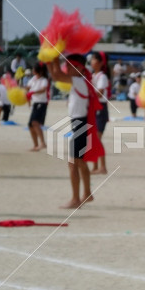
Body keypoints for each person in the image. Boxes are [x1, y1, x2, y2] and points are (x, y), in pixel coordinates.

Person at [46, 54, 103, 209]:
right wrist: (49, 60)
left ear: (78, 68)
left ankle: (75, 199)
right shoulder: (81, 81)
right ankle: (87, 193)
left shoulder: (79, 81)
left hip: (80, 125)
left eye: (69, 66)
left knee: (73, 163)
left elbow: (57, 75)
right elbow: (56, 76)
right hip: (80, 124)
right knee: (80, 162)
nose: (67, 69)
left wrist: (55, 57)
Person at [90, 51, 110, 174]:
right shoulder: (94, 75)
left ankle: (102, 167)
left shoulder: (102, 76)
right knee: (93, 139)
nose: (91, 61)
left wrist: (88, 96)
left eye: (94, 59)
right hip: (94, 107)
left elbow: (100, 92)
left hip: (100, 108)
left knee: (97, 138)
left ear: (101, 62)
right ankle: (96, 166)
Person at [26, 62, 49, 151]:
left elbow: (43, 90)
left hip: (41, 103)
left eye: (33, 69)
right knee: (30, 125)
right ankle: (36, 145)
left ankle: (43, 143)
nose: (32, 70)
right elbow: (27, 87)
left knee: (35, 123)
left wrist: (32, 92)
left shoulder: (44, 80)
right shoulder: (33, 79)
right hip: (35, 103)